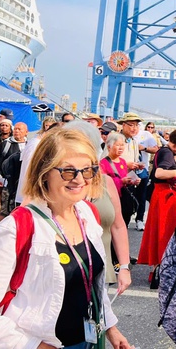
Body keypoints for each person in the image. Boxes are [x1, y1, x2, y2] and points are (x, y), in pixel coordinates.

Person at [0, 128, 132, 348]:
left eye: (88, 170)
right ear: (44, 172)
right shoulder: (16, 228)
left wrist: (110, 327)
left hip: (86, 341)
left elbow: (89, 282)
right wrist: (33, 345)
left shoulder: (86, 213)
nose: (80, 179)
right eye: (68, 171)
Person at [64, 121, 131, 293]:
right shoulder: (54, 182)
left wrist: (124, 266)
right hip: (62, 273)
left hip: (102, 271)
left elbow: (118, 225)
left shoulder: (105, 182)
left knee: (100, 310)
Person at [137, 128, 176, 270]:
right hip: (167, 196)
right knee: (165, 232)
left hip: (162, 194)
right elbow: (160, 173)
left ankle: (158, 267)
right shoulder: (167, 153)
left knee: (161, 231)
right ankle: (163, 267)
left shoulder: (163, 151)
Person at [101, 132, 140, 227]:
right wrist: (121, 181)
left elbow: (124, 177)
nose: (121, 148)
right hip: (112, 199)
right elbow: (103, 182)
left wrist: (133, 181)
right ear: (109, 147)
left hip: (124, 199)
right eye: (117, 145)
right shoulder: (103, 163)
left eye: (122, 145)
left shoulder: (122, 161)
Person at [0, 122, 27, 222]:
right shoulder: (6, 144)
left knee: (21, 209)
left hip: (24, 184)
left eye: (20, 129)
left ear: (26, 132)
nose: (17, 131)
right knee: (5, 210)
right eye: (15, 129)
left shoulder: (30, 145)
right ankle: (0, 228)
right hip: (9, 182)